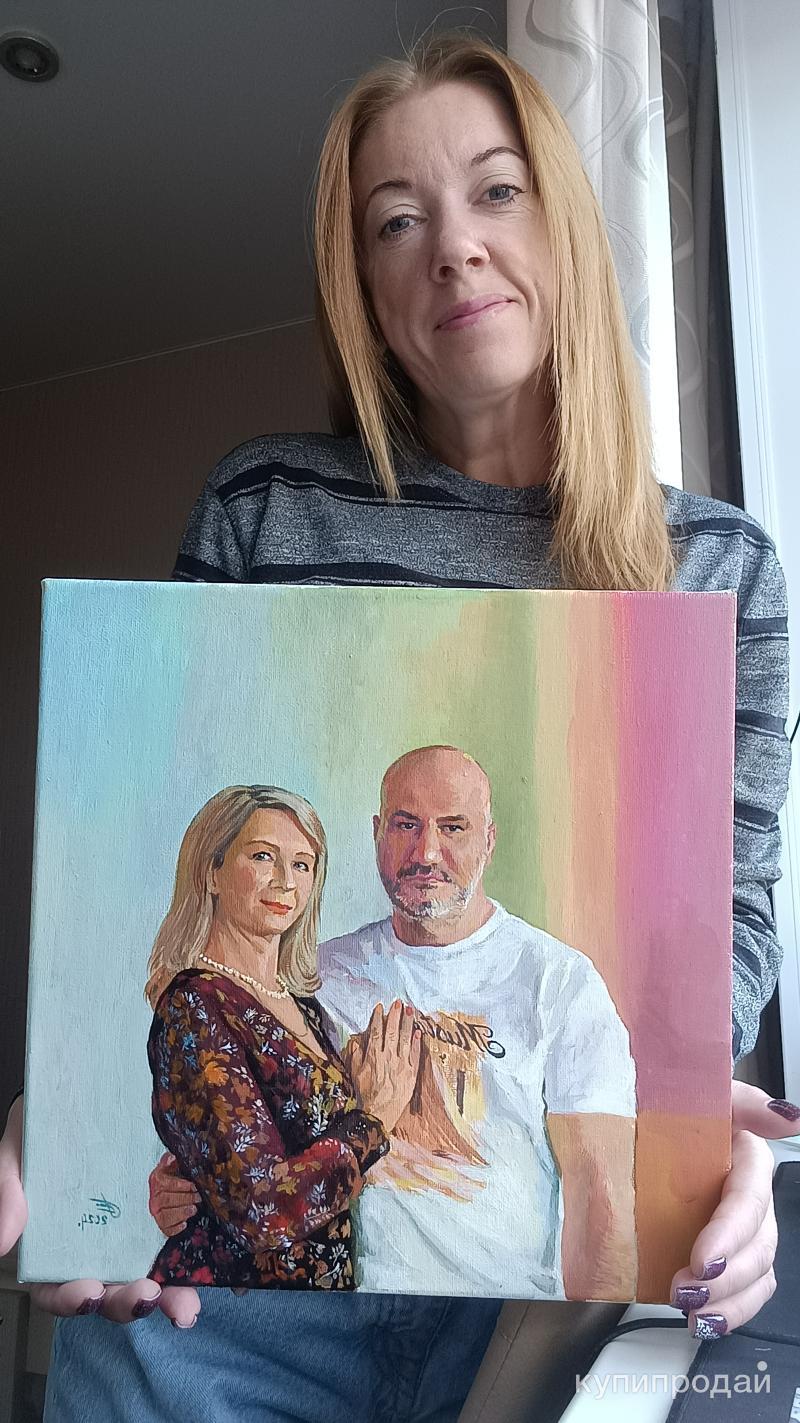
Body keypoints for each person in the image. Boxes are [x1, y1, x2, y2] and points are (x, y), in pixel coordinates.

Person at [1, 29, 797, 1423]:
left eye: (496, 191)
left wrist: (703, 1135)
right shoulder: (265, 507)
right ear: (362, 288)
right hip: (230, 1304)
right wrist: (64, 1123)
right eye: (395, 221)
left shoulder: (719, 564)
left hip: (526, 1299)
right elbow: (161, 870)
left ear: (563, 223)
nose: (453, 248)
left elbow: (722, 938)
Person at [150, 746, 638, 1301]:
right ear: (378, 833)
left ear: (489, 841)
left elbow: (603, 1206)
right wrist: (189, 1183)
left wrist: (589, 1345)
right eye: (406, 825)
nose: (426, 852)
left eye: (452, 827)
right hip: (338, 1313)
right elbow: (247, 1134)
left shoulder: (559, 983)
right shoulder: (312, 978)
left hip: (490, 1317)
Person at [143, 784, 413, 1289]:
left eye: (302, 864)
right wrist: (370, 1122)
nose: (286, 882)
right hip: (232, 1302)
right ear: (212, 872)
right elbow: (259, 1210)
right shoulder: (195, 1004)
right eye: (263, 856)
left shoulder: (306, 1006)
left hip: (320, 1302)